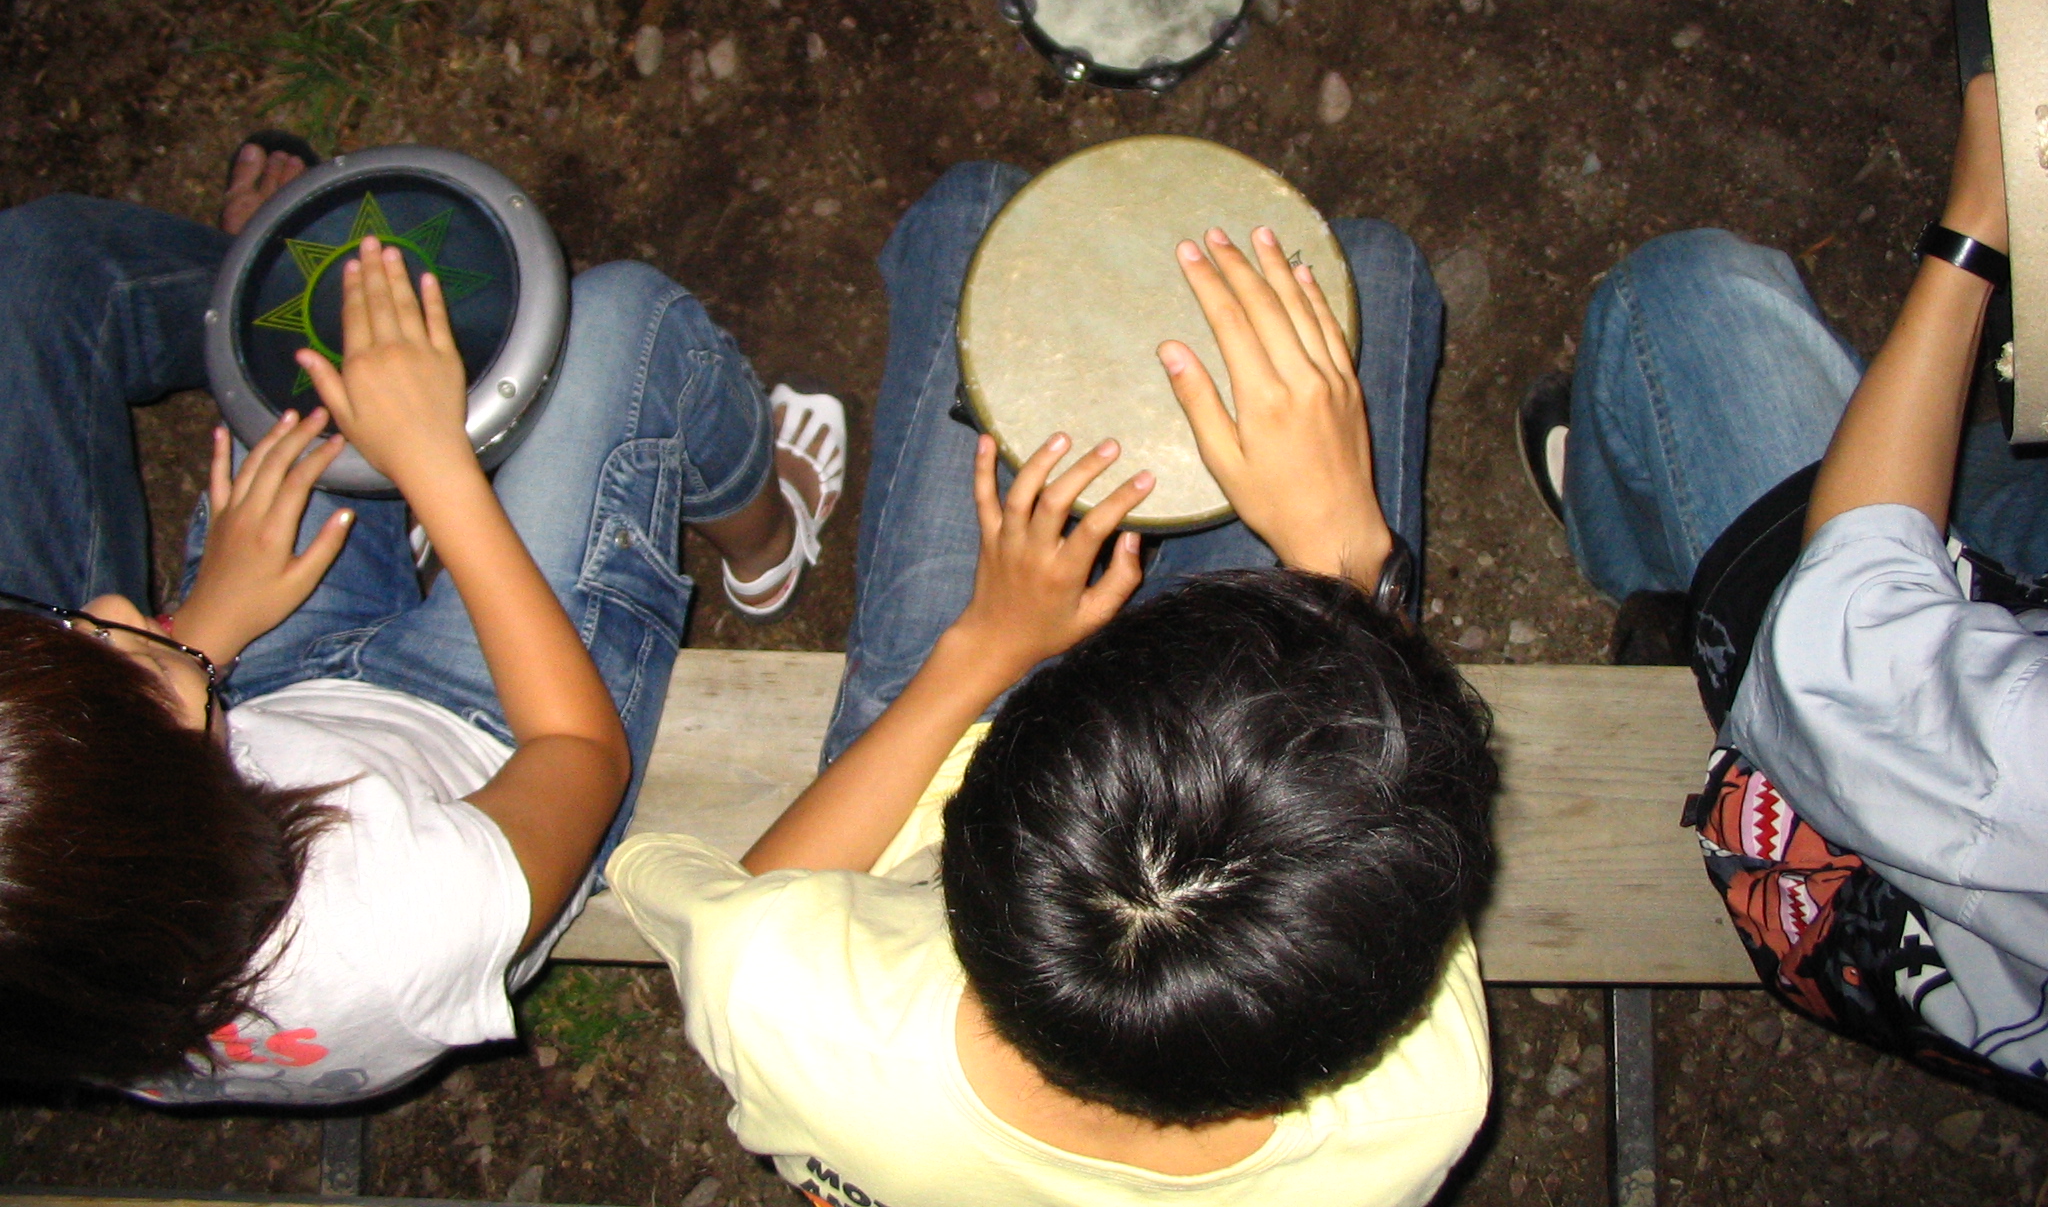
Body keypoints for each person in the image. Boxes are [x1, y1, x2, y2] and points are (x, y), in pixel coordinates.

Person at [610, 163, 1497, 1207]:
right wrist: (1342, 553)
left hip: (968, 691)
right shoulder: (1416, 1108)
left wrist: (983, 651)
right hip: (1229, 720)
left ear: (969, 851)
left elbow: (749, 902)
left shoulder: (793, 1010)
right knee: (1372, 270)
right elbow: (1391, 808)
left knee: (975, 207)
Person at [0, 138, 844, 1103]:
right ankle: (767, 533)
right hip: (497, 751)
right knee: (621, 318)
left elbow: (134, 716)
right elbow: (578, 749)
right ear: (183, 819)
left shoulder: (73, 938)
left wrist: (197, 636)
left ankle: (251, 285)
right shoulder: (393, 932)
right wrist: (435, 465)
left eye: (68, 629)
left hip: (263, 689)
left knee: (228, 330)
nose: (111, 607)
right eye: (120, 659)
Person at [1519, 74, 2048, 1100]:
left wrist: (1973, 237)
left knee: (1677, 297)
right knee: (1978, 465)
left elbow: (1853, 642)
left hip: (1873, 792)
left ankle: (1641, 567)